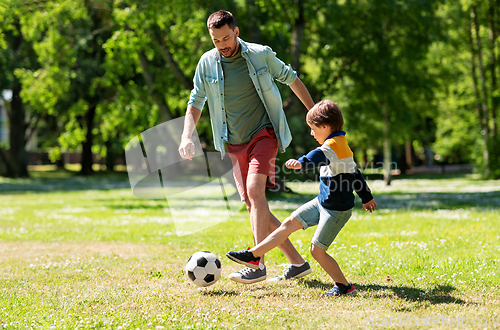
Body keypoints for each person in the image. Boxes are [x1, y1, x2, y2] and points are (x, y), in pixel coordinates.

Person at [178, 10, 315, 284]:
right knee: (252, 204)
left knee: (255, 192)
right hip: (231, 141)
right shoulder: (206, 63)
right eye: (216, 40)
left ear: (236, 32)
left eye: (226, 38)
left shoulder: (259, 54)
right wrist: (186, 136)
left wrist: (314, 116)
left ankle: (256, 263)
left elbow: (291, 78)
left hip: (263, 134)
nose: (222, 45)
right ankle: (297, 263)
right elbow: (196, 101)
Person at [226, 100, 377, 295]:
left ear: (325, 126)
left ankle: (343, 286)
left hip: (336, 211)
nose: (312, 133)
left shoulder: (333, 146)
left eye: (313, 129)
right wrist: (366, 197)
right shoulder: (341, 144)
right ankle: (254, 256)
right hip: (322, 203)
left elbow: (317, 156)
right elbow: (355, 173)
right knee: (288, 224)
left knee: (317, 250)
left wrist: (300, 163)